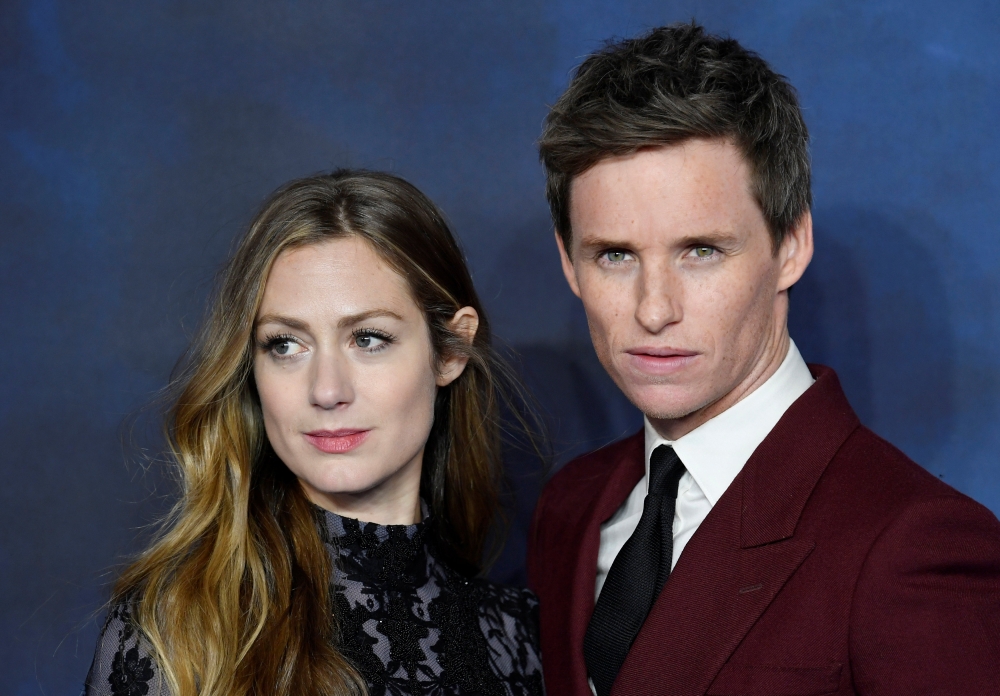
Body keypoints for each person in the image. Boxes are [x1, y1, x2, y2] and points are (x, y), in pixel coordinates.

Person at [527, 22, 1000, 696]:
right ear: (569, 265)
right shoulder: (570, 508)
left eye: (702, 251)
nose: (654, 309)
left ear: (791, 246)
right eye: (615, 256)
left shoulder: (913, 543)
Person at [85, 170, 544, 696]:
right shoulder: (176, 632)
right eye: (285, 344)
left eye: (368, 338)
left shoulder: (520, 637)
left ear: (451, 351)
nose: (327, 390)